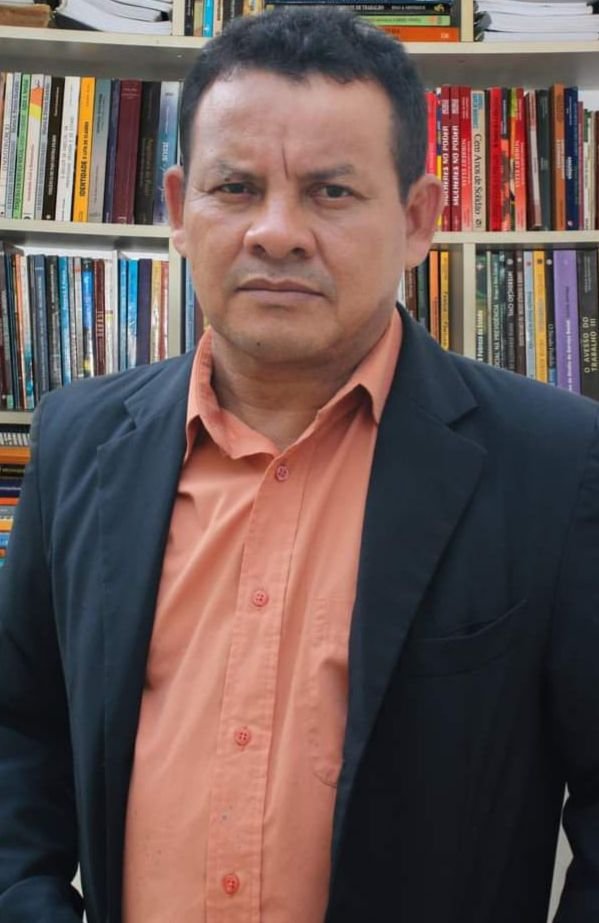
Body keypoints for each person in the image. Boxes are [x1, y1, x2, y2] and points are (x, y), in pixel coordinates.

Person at [1, 8, 598, 923]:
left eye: (330, 192)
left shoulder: (556, 463)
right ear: (177, 210)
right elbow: (20, 731)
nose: (276, 233)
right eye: (235, 188)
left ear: (416, 221)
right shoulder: (76, 438)